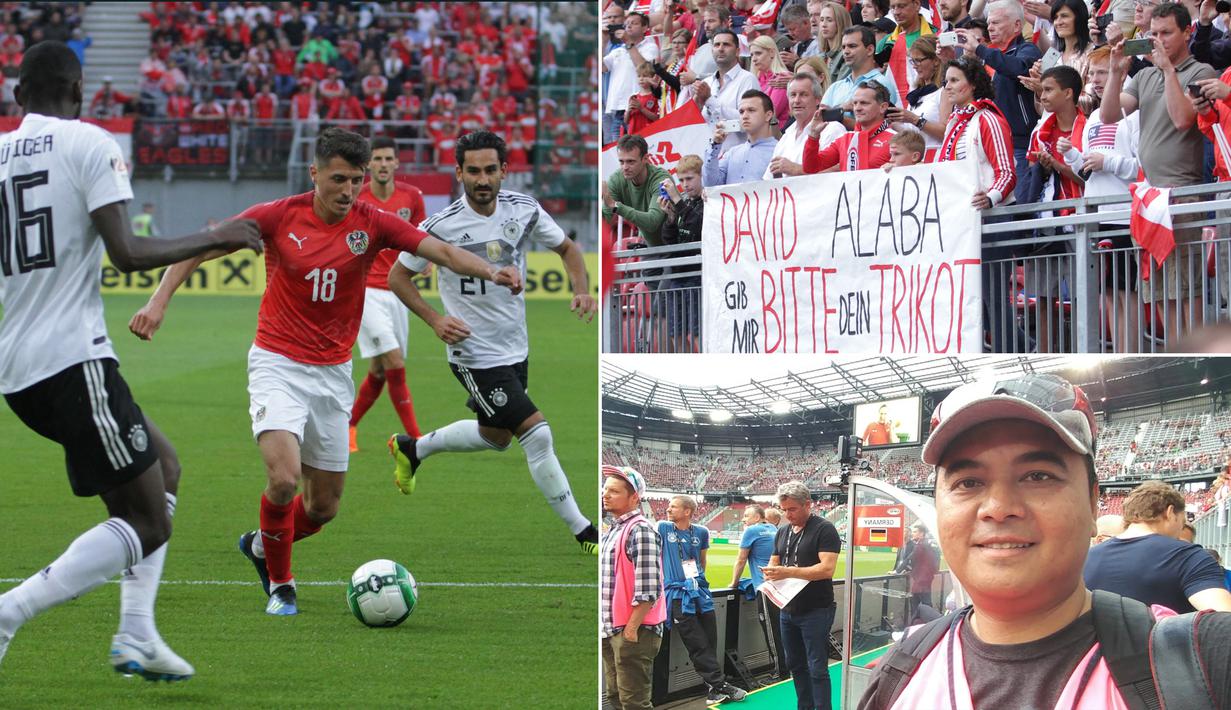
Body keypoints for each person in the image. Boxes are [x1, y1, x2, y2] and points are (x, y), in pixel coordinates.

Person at [128, 128, 521, 617]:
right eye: (339, 179)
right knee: (284, 478)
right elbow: (202, 248)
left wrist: (490, 270)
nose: (348, 190)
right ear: (314, 174)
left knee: (322, 508)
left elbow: (437, 250)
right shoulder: (277, 216)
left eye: (356, 181)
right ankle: (281, 583)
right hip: (277, 363)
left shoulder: (371, 222)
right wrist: (158, 302)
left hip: (334, 372)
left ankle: (259, 546)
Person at [0, 41, 262, 679]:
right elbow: (125, 250)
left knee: (164, 468)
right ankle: (9, 612)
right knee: (147, 519)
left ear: (17, 96)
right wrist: (216, 235)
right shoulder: (89, 142)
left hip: (17, 365)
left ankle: (137, 633)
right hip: (70, 361)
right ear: (81, 89)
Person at [858, 373, 1231, 709]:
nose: (999, 508)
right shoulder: (901, 667)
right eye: (968, 482)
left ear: (1091, 502)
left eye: (1038, 476)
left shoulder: (1204, 659)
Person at [386, 130, 599, 555]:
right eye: (474, 171)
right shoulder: (439, 226)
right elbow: (397, 276)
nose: (482, 180)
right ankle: (584, 531)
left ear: (504, 171)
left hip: (515, 346)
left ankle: (412, 448)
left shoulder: (524, 210)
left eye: (490, 170)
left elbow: (568, 249)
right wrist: (434, 319)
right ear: (459, 172)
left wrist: (582, 288)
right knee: (536, 435)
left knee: (496, 437)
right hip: (472, 352)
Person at [1101, 3, 1217, 338]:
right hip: (1149, 197)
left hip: (1182, 193)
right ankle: (1177, 344)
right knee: (1159, 291)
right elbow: (1108, 115)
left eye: (1166, 33)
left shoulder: (1201, 71)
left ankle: (1193, 347)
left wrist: (1168, 71)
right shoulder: (1144, 74)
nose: (1159, 40)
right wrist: (1114, 71)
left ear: (1187, 32)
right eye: (1153, 34)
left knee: (1186, 289)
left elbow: (1184, 120)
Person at [346, 136, 426, 453]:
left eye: (387, 159)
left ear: (396, 163)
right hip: (366, 292)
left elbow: (420, 236)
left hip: (398, 291)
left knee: (381, 369)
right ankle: (417, 440)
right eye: (376, 159)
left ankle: (349, 426)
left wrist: (425, 262)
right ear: (369, 165)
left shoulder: (412, 197)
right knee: (394, 360)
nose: (382, 165)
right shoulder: (357, 197)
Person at [1061, 45, 1141, 352]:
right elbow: (1087, 169)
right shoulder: (1094, 115)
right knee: (1107, 292)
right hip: (1098, 216)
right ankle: (1117, 348)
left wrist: (1107, 163)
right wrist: (1072, 155)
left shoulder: (1133, 115)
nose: (1095, 80)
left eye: (1103, 72)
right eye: (1092, 73)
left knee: (1126, 292)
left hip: (1125, 216)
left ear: (1121, 74)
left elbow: (1142, 168)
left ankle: (1129, 351)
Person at [1085, 480, 1231, 612]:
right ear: (1170, 513)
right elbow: (1223, 619)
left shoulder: (1087, 558)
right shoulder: (1188, 556)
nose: (1181, 528)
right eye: (1182, 520)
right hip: (1163, 641)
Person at [658, 496, 749, 705]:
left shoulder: (701, 532)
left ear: (687, 511)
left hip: (700, 594)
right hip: (679, 596)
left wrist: (697, 582)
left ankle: (713, 691)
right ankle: (720, 685)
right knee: (697, 643)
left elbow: (701, 561)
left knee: (710, 640)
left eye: (673, 506)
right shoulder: (663, 527)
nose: (668, 509)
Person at [765, 481, 842, 710]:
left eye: (792, 509)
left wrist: (786, 571)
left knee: (817, 667)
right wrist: (770, 574)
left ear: (807, 504)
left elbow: (827, 569)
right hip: (787, 610)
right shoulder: (782, 532)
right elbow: (774, 562)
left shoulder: (824, 528)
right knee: (795, 665)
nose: (787, 515)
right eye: (784, 509)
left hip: (816, 609)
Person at [959, 0, 1042, 205]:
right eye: (988, 23)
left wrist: (980, 50)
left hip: (1019, 145)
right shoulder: (988, 57)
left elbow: (1017, 68)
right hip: (989, 146)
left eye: (996, 22)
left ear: (1016, 25)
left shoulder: (1028, 50)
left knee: (1017, 212)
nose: (990, 27)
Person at [600, 465, 665, 710]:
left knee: (634, 702)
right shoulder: (614, 529)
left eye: (614, 491)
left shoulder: (640, 530)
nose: (605, 495)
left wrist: (631, 629)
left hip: (632, 630)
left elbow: (650, 587)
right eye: (605, 489)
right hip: (612, 628)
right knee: (616, 697)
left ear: (634, 497)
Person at [658, 155, 705, 353]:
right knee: (675, 333)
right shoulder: (682, 203)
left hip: (698, 275)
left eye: (690, 179)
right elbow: (669, 241)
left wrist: (677, 199)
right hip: (678, 275)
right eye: (681, 180)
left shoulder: (708, 200)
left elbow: (697, 225)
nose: (685, 185)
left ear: (702, 176)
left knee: (697, 332)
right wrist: (670, 219)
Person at [804, 81, 897, 172]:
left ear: (883, 107)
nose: (857, 108)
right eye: (855, 103)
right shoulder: (845, 139)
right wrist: (813, 136)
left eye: (864, 103)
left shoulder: (896, 140)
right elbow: (811, 168)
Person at [694, 29, 760, 152]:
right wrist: (696, 106)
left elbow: (750, 122)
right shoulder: (707, 82)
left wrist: (709, 100)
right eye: (717, 45)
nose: (721, 48)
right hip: (708, 155)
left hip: (737, 156)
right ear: (712, 50)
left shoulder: (747, 79)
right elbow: (697, 125)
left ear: (737, 51)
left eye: (726, 44)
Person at [602, 133, 671, 246]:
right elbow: (604, 220)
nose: (625, 167)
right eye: (621, 162)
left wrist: (616, 206)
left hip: (676, 247)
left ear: (645, 159)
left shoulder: (661, 179)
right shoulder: (616, 179)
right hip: (648, 246)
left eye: (631, 161)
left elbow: (652, 222)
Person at [766, 73, 839, 178]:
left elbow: (840, 172)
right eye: (793, 95)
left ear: (818, 99)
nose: (797, 100)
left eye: (804, 94)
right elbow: (769, 179)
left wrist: (796, 169)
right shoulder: (786, 137)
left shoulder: (832, 129)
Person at [604, 11, 659, 143]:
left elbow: (645, 69)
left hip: (639, 108)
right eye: (626, 24)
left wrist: (628, 42)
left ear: (645, 28)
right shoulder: (618, 50)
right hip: (618, 109)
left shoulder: (650, 47)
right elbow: (602, 67)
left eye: (634, 23)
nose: (628, 26)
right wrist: (602, 39)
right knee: (617, 154)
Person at [703, 89, 779, 186]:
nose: (745, 116)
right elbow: (710, 185)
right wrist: (715, 146)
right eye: (741, 112)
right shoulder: (731, 153)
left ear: (768, 115)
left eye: (751, 110)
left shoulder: (780, 150)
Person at [887, 35, 947, 151]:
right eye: (912, 61)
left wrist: (914, 119)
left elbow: (946, 133)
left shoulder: (944, 91)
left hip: (936, 161)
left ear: (935, 60)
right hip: (916, 161)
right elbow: (916, 135)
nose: (914, 66)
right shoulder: (917, 94)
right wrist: (893, 123)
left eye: (918, 60)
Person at [822, 26, 901, 113]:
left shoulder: (883, 84)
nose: (846, 51)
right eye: (843, 47)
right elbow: (819, 119)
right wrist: (841, 108)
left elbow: (881, 124)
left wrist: (834, 113)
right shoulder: (835, 87)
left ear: (870, 50)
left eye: (852, 46)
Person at [803, 0, 852, 85]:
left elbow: (838, 89)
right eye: (821, 20)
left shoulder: (847, 55)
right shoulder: (821, 57)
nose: (823, 24)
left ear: (840, 23)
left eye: (829, 20)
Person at [731, 505, 779, 589]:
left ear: (757, 517)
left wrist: (734, 583)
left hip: (763, 584)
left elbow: (741, 560)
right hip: (778, 581)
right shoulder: (773, 528)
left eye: (746, 516)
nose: (743, 519)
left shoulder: (751, 530)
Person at [751, 35, 793, 126]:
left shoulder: (782, 78)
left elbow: (771, 113)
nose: (754, 59)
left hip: (778, 134)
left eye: (758, 53)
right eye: (752, 55)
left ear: (771, 53)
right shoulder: (755, 79)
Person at [625, 63, 661, 135]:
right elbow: (626, 121)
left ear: (652, 77)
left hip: (649, 134)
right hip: (633, 135)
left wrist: (641, 108)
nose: (641, 79)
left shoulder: (656, 97)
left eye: (645, 76)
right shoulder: (633, 97)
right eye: (639, 76)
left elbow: (657, 118)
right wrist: (628, 111)